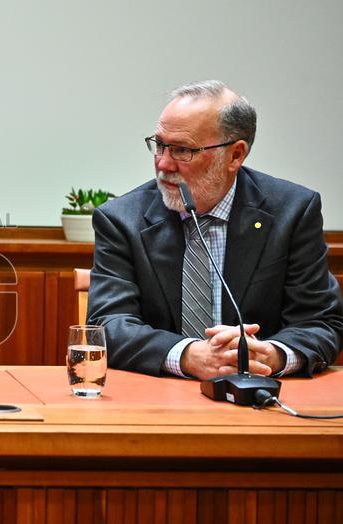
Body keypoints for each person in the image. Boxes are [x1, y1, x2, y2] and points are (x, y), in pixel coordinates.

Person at [88, 80, 343, 379]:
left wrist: (273, 355)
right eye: (159, 145)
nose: (164, 163)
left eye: (183, 150)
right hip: (157, 395)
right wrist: (187, 355)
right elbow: (108, 324)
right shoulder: (121, 219)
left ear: (235, 155)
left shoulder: (292, 212)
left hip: (260, 396)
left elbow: (321, 322)